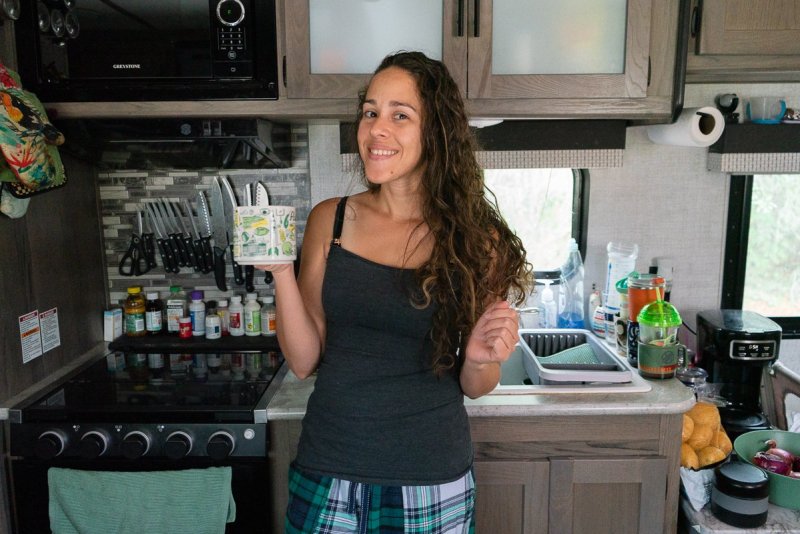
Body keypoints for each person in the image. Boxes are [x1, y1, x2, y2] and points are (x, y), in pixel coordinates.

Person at [258, 50, 532, 533]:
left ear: (436, 132)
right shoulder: (332, 220)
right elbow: (303, 361)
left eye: (399, 115)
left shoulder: (477, 239)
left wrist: (477, 356)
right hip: (329, 466)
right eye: (370, 113)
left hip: (429, 476)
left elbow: (477, 384)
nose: (376, 129)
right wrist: (281, 272)